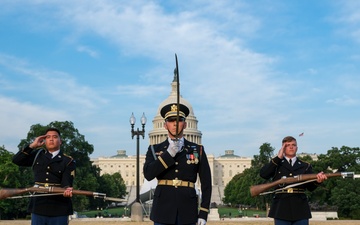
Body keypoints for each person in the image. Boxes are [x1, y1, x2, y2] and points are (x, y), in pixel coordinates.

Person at [143, 103, 212, 225]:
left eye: (179, 120)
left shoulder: (197, 150)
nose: (175, 123)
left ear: (185, 124)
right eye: (171, 120)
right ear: (165, 125)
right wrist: (168, 154)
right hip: (162, 210)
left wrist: (203, 212)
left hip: (187, 211)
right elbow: (148, 174)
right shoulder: (154, 149)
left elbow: (206, 183)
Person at [12, 127, 76, 225]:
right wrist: (32, 146)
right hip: (39, 206)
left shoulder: (68, 161)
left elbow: (66, 182)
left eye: (55, 137)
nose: (51, 139)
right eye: (48, 137)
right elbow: (16, 160)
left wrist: (67, 189)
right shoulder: (37, 155)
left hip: (59, 207)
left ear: (60, 141)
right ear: (44, 141)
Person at [260, 136, 327, 225]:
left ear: (297, 148)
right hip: (281, 208)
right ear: (283, 148)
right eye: (287, 145)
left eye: (293, 145)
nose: (291, 147)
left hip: (300, 208)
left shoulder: (305, 165)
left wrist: (318, 181)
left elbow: (310, 187)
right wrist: (278, 157)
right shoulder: (276, 164)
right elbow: (264, 174)